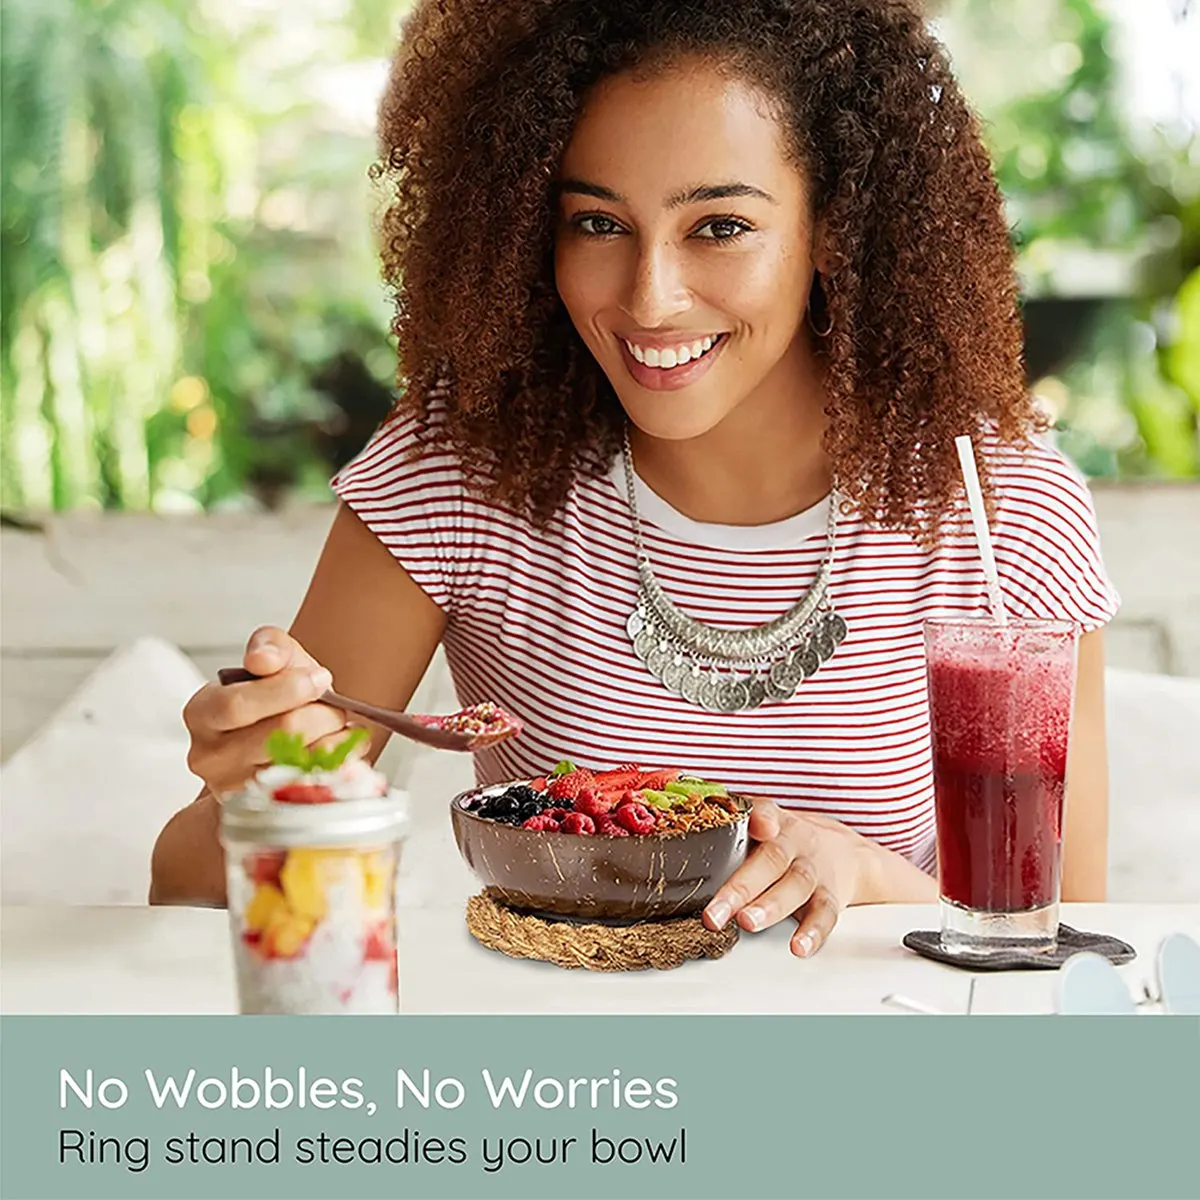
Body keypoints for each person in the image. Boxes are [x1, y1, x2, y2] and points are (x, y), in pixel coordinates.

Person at [153, 0, 1119, 956]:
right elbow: (188, 892)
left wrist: (872, 884)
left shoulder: (1002, 506)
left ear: (836, 227)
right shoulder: (463, 465)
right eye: (598, 223)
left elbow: (1069, 941)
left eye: (720, 226)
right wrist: (250, 793)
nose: (650, 298)